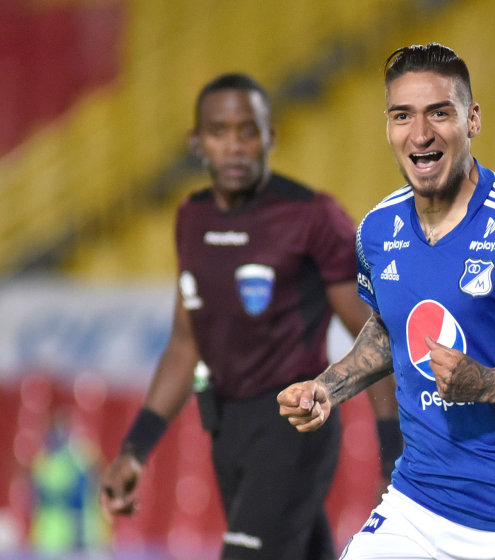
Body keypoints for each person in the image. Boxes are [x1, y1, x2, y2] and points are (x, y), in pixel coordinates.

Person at [278, 44, 495, 560]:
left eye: (438, 113)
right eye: (403, 116)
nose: (420, 134)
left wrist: (488, 384)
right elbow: (387, 326)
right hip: (417, 507)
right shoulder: (377, 230)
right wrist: (327, 387)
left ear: (472, 119)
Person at [99, 73, 402, 560]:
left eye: (248, 131)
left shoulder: (312, 216)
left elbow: (377, 337)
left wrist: (393, 452)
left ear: (270, 136)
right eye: (219, 132)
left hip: (295, 423)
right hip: (226, 429)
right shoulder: (191, 218)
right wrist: (136, 448)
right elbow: (184, 341)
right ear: (196, 141)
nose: (235, 146)